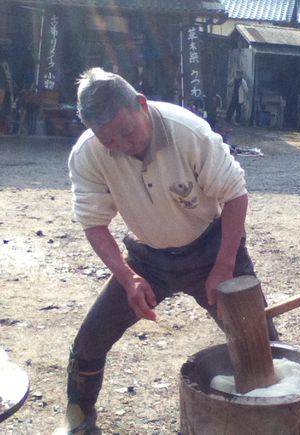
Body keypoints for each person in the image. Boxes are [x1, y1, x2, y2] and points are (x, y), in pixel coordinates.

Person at [53, 67, 278, 433]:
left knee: (260, 342)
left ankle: (274, 418)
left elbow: (235, 194)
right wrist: (127, 279)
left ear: (141, 104)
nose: (124, 146)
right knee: (89, 342)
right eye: (110, 141)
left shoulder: (186, 131)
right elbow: (93, 222)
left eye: (127, 132)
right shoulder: (88, 153)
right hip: (148, 259)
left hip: (212, 249)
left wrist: (223, 267)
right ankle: (78, 419)